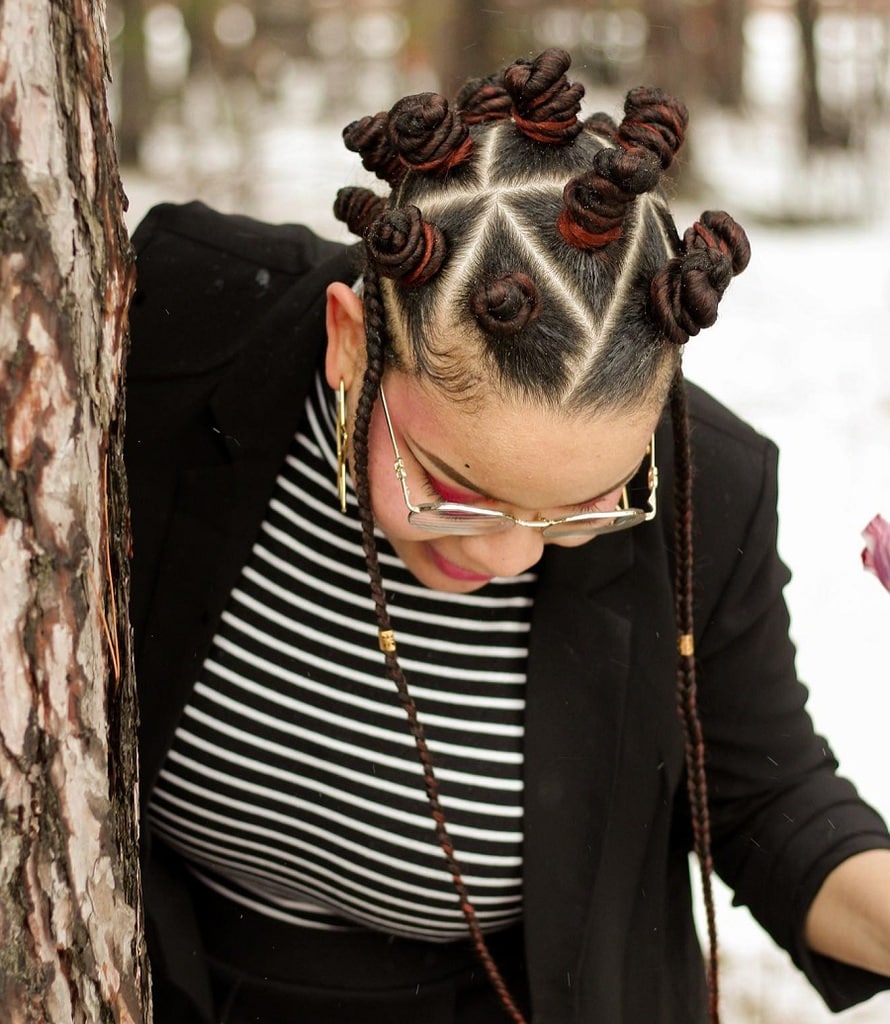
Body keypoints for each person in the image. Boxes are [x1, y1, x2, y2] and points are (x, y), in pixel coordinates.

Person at [125, 48, 890, 1024]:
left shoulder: (704, 490)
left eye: (579, 508)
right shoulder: (183, 314)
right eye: (455, 490)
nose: (507, 556)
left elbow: (765, 803)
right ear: (349, 341)